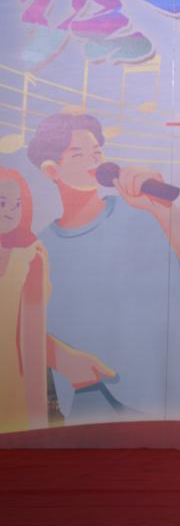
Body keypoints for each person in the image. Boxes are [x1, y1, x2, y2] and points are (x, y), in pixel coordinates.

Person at [27, 112, 180, 423]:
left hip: (177, 408)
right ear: (52, 170)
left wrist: (162, 210)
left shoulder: (147, 215)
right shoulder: (39, 250)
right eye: (78, 154)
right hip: (90, 405)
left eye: (97, 152)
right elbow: (23, 328)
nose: (93, 160)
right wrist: (64, 359)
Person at [0, 166, 113, 433]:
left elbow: (32, 342)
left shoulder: (30, 258)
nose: (10, 212)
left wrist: (36, 421)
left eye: (17, 204)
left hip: (10, 378)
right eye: (2, 203)